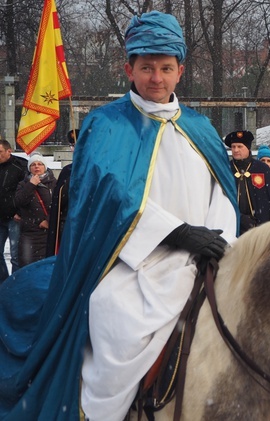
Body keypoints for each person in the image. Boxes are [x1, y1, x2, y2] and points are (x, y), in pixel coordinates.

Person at [0, 11, 239, 419]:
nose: (156, 78)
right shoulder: (105, 124)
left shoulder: (200, 128)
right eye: (146, 67)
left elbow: (224, 194)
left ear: (180, 71)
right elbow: (103, 199)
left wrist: (217, 241)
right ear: (128, 68)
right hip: (128, 260)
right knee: (115, 320)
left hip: (203, 258)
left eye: (166, 68)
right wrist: (177, 232)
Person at [225, 130, 270, 234]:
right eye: (233, 147)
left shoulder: (262, 169)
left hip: (258, 227)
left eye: (240, 146)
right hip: (232, 225)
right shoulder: (227, 168)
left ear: (248, 148)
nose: (236, 150)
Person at [14, 153, 56, 267]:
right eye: (33, 164)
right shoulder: (23, 184)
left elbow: (59, 205)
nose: (37, 167)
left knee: (47, 265)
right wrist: (31, 185)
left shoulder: (54, 183)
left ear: (45, 166)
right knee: (28, 265)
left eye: (40, 164)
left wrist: (48, 220)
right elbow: (19, 201)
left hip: (49, 231)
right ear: (29, 168)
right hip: (29, 232)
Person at [46, 129, 77, 257]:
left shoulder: (96, 168)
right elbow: (59, 197)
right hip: (67, 221)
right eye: (73, 146)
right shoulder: (67, 170)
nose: (74, 149)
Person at [0, 139, 27, 282]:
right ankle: (4, 282)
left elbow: (27, 192)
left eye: (0, 152)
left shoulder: (20, 166)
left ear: (9, 151)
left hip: (14, 217)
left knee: (16, 255)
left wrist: (20, 212)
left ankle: (16, 283)